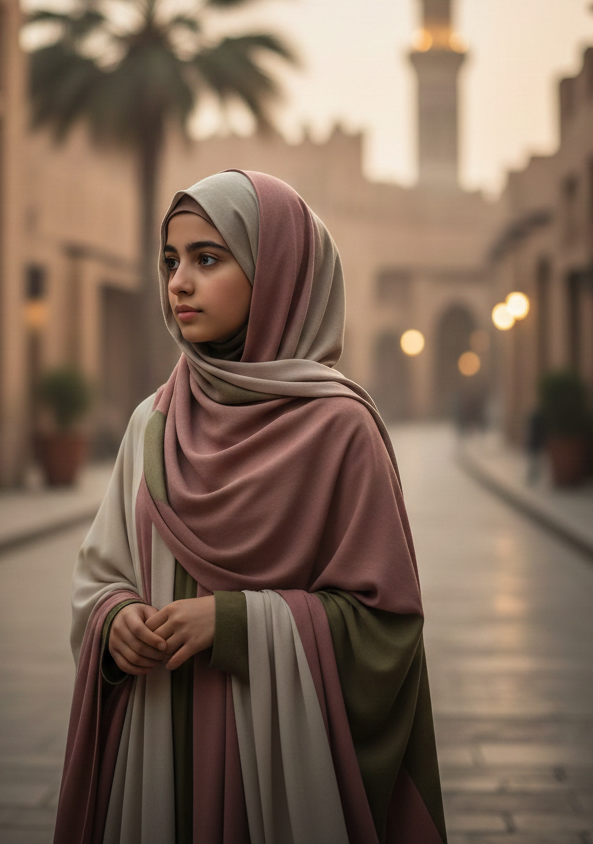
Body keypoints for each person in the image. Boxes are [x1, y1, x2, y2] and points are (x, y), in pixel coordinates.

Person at [54, 170, 446, 844]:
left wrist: (234, 623)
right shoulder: (153, 422)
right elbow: (102, 575)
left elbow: (386, 630)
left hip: (279, 770)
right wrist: (113, 621)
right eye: (171, 260)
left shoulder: (340, 429)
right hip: (155, 748)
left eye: (208, 259)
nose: (178, 282)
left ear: (280, 273)